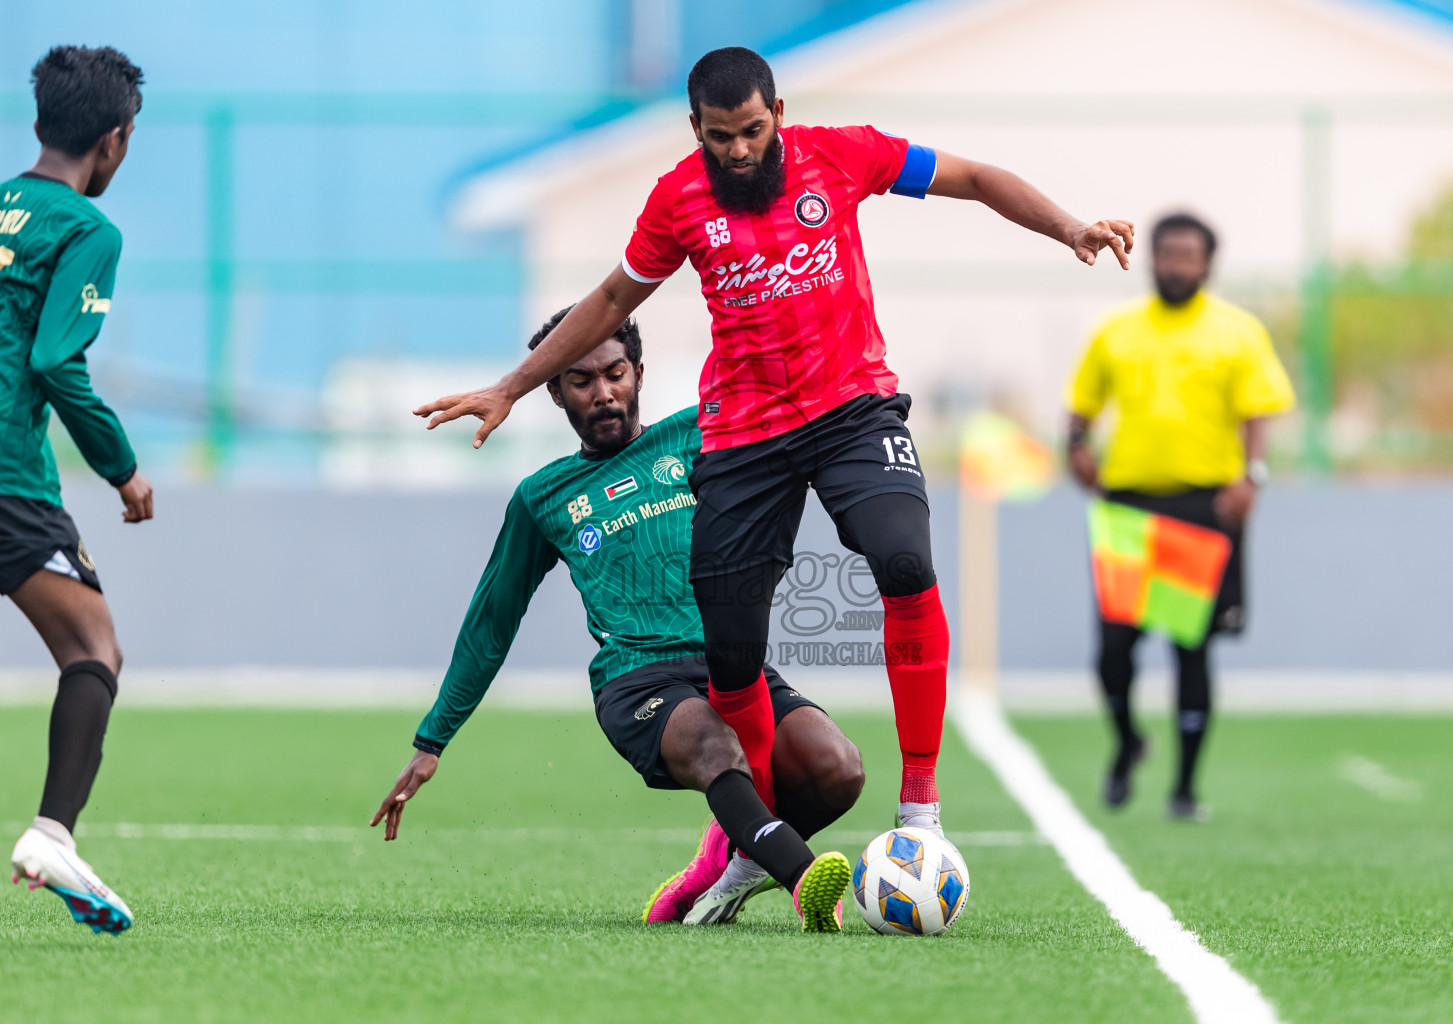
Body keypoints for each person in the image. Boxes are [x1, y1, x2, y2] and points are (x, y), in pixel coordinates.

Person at [414, 47, 1135, 839]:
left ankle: (921, 809)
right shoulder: (676, 201)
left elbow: (970, 176)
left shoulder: (844, 153)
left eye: (752, 129)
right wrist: (510, 386)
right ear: (696, 129)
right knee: (731, 648)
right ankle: (751, 844)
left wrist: (1067, 225)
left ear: (778, 114)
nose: (739, 150)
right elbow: (614, 296)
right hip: (746, 434)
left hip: (850, 410)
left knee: (903, 561)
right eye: (720, 136)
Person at [373, 308, 865, 931]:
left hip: (733, 662)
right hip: (639, 681)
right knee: (718, 746)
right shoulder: (542, 496)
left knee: (837, 768)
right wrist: (431, 741)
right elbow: (492, 621)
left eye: (615, 373)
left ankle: (720, 868)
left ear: (638, 372)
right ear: (553, 391)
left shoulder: (698, 437)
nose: (603, 393)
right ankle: (803, 880)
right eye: (581, 381)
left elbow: (779, 407)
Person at [1064, 212, 1295, 819]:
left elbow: (1259, 418)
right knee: (1113, 650)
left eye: (1188, 254)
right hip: (1130, 507)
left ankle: (1185, 789)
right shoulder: (1116, 332)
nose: (1176, 263)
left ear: (1207, 264)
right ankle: (1128, 741)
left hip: (1203, 507)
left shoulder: (1238, 332)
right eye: (1167, 253)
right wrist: (1077, 450)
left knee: (1192, 648)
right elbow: (1081, 410)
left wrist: (1254, 479)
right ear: (1151, 259)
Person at [4, 46, 152, 936]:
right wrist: (123, 466)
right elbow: (56, 358)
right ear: (115, 139)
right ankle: (52, 833)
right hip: (9, 480)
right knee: (93, 646)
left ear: (35, 125)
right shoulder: (85, 229)